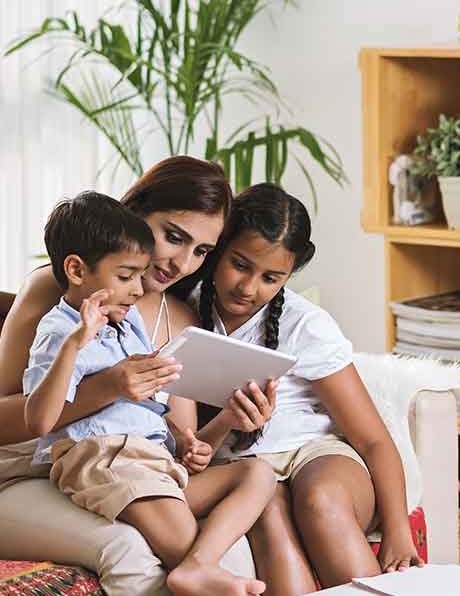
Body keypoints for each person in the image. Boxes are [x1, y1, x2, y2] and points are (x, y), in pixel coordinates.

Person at [0, 156, 274, 595]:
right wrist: (108, 388)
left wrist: (228, 422)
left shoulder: (177, 319)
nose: (182, 263)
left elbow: (172, 444)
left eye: (201, 251)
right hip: (27, 473)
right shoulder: (60, 294)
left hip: (135, 470)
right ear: (136, 214)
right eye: (174, 237)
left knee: (229, 551)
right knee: (130, 551)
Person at [186, 183, 424, 594]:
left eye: (270, 277)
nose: (248, 287)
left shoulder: (306, 325)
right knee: (267, 511)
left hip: (317, 456)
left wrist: (398, 530)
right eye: (240, 265)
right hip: (247, 466)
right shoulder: (183, 306)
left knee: (321, 500)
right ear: (219, 249)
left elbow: (371, 439)